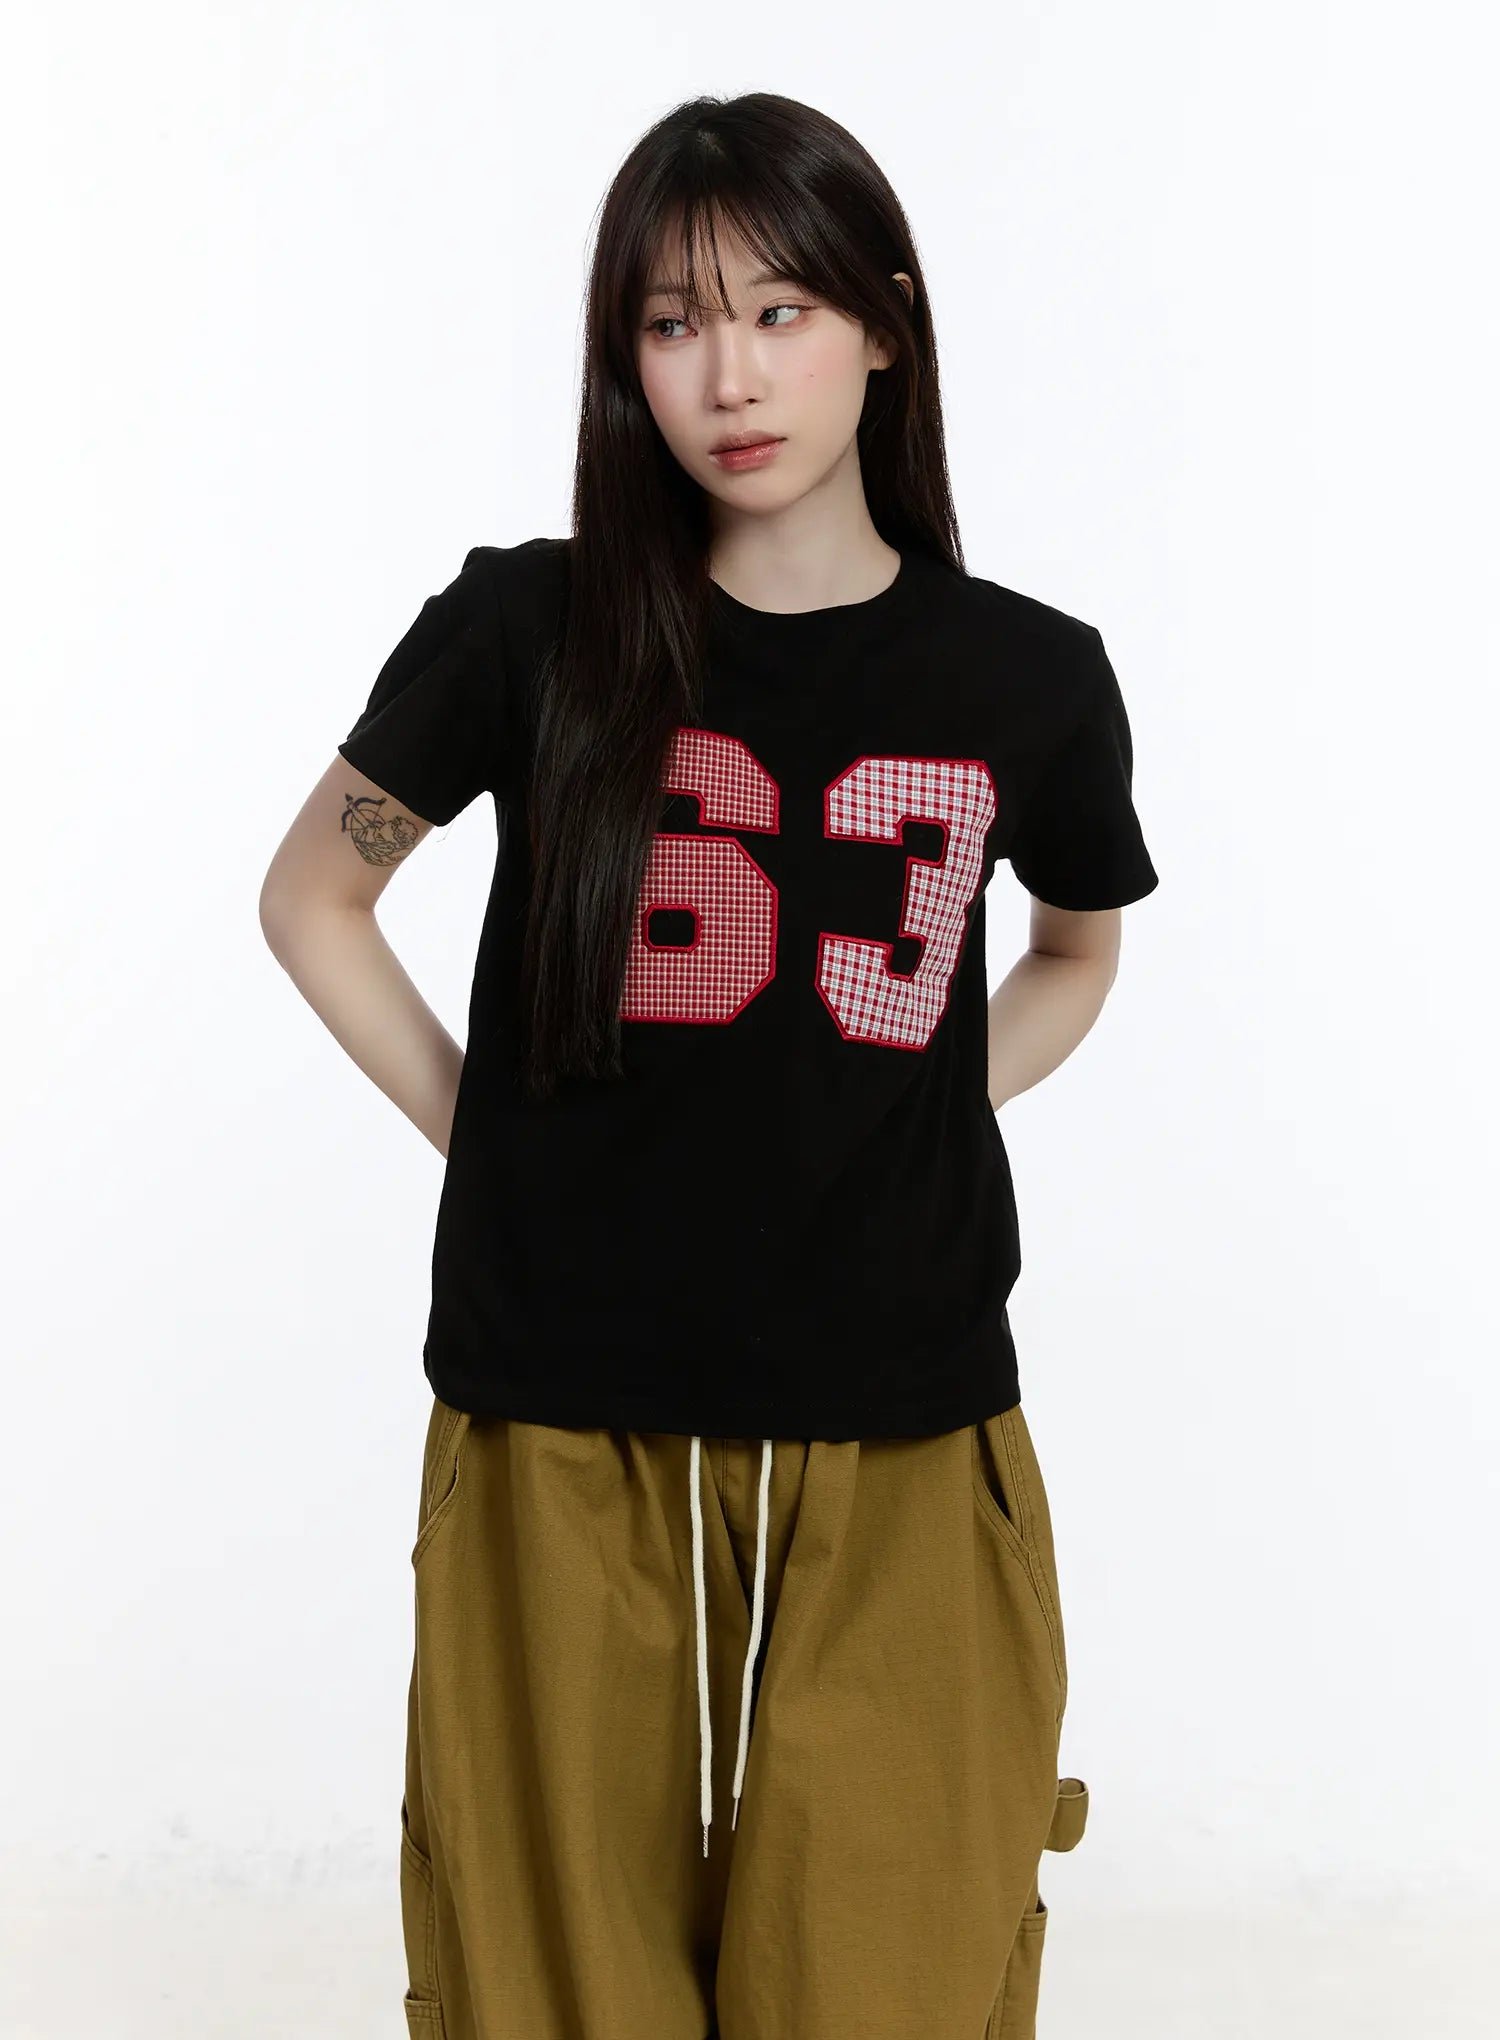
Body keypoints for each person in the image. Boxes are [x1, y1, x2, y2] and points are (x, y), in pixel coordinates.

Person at [259, 89, 1158, 2040]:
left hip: (903, 1412)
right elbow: (314, 898)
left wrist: (915, 1102)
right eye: (670, 323)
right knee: (551, 1983)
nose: (727, 375)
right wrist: (489, 1131)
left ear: (884, 322)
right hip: (559, 1415)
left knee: (889, 1970)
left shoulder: (1027, 675)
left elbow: (1076, 954)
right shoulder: (528, 629)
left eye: (776, 311)